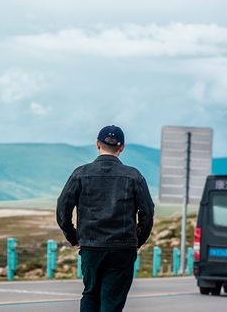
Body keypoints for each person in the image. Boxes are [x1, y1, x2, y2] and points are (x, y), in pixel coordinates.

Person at [56, 125, 154, 312]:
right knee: (112, 301)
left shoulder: (80, 173)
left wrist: (74, 237)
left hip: (91, 247)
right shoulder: (134, 176)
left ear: (98, 144)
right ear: (122, 147)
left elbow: (62, 209)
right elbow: (147, 214)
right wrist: (137, 240)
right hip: (123, 248)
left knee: (90, 294)